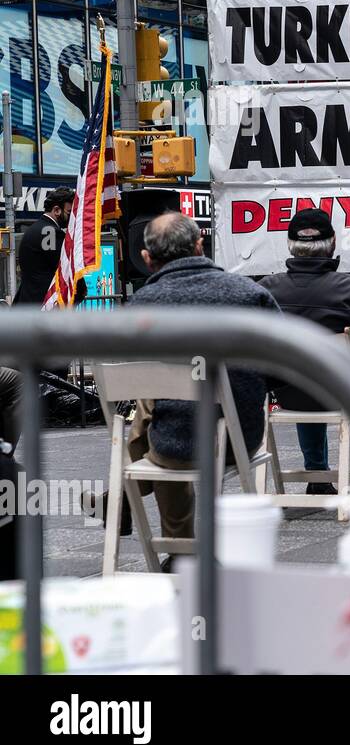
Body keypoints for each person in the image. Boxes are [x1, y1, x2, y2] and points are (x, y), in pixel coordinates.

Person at [125, 212, 279, 548]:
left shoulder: (140, 306)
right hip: (237, 438)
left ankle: (164, 531)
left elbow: (129, 371)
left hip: (170, 444)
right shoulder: (250, 294)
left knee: (155, 407)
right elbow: (280, 367)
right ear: (200, 245)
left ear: (148, 259)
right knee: (164, 406)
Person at [259, 208, 350, 494]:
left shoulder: (267, 289)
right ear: (333, 242)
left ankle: (318, 475)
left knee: (306, 377)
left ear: (290, 244)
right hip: (341, 391)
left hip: (288, 393)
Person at [13, 187, 74, 304]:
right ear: (56, 210)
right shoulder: (51, 232)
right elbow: (63, 268)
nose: (71, 218)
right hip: (43, 305)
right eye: (69, 212)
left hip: (26, 302)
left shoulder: (33, 229)